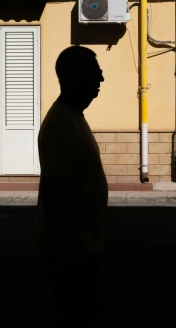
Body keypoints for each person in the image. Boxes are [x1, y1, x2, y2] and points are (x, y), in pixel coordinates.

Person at [36, 46, 108, 325]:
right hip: (71, 254)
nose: (101, 78)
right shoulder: (60, 125)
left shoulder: (72, 117)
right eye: (95, 71)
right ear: (76, 76)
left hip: (82, 247)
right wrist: (71, 255)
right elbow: (56, 195)